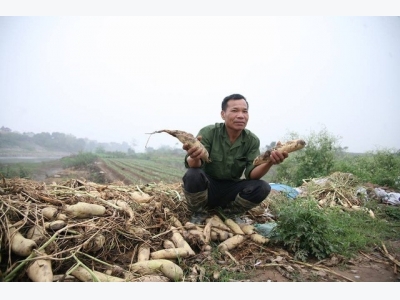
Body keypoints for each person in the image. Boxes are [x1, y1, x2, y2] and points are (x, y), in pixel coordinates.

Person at [182, 93, 288, 223]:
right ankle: (198, 212)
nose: (241, 116)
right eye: (234, 111)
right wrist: (194, 155)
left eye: (245, 111)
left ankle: (230, 213)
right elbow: (193, 165)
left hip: (231, 189)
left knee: (262, 187)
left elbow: (252, 175)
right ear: (223, 114)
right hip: (208, 187)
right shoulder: (209, 132)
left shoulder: (252, 140)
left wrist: (270, 162)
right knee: (193, 174)